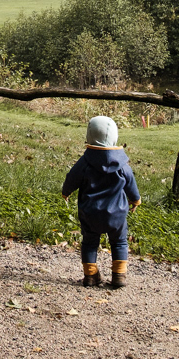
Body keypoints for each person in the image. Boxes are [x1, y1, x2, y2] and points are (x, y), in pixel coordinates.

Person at [62, 115, 141, 289]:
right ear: (115, 136)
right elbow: (131, 182)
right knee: (119, 242)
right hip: (117, 214)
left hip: (90, 213)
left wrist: (66, 192)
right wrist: (135, 199)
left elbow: (72, 178)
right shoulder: (122, 164)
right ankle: (119, 275)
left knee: (90, 242)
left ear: (89, 136)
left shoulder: (85, 161)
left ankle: (90, 276)